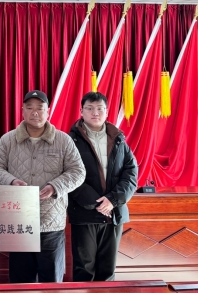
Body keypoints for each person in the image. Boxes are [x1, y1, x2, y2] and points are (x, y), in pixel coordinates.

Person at [0, 89, 85, 283]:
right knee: (21, 282)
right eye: (29, 107)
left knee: (52, 282)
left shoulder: (63, 140)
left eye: (40, 108)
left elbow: (78, 172)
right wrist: (11, 181)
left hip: (51, 222)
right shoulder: (8, 139)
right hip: (19, 221)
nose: (35, 112)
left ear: (48, 111)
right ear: (22, 111)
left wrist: (55, 186)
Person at [68, 92, 138, 281]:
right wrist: (98, 203)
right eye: (90, 108)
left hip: (114, 213)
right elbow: (67, 174)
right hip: (84, 213)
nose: (95, 113)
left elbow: (131, 172)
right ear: (81, 111)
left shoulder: (118, 139)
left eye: (100, 108)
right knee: (84, 269)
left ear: (107, 112)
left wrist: (112, 200)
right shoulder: (70, 140)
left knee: (108, 270)